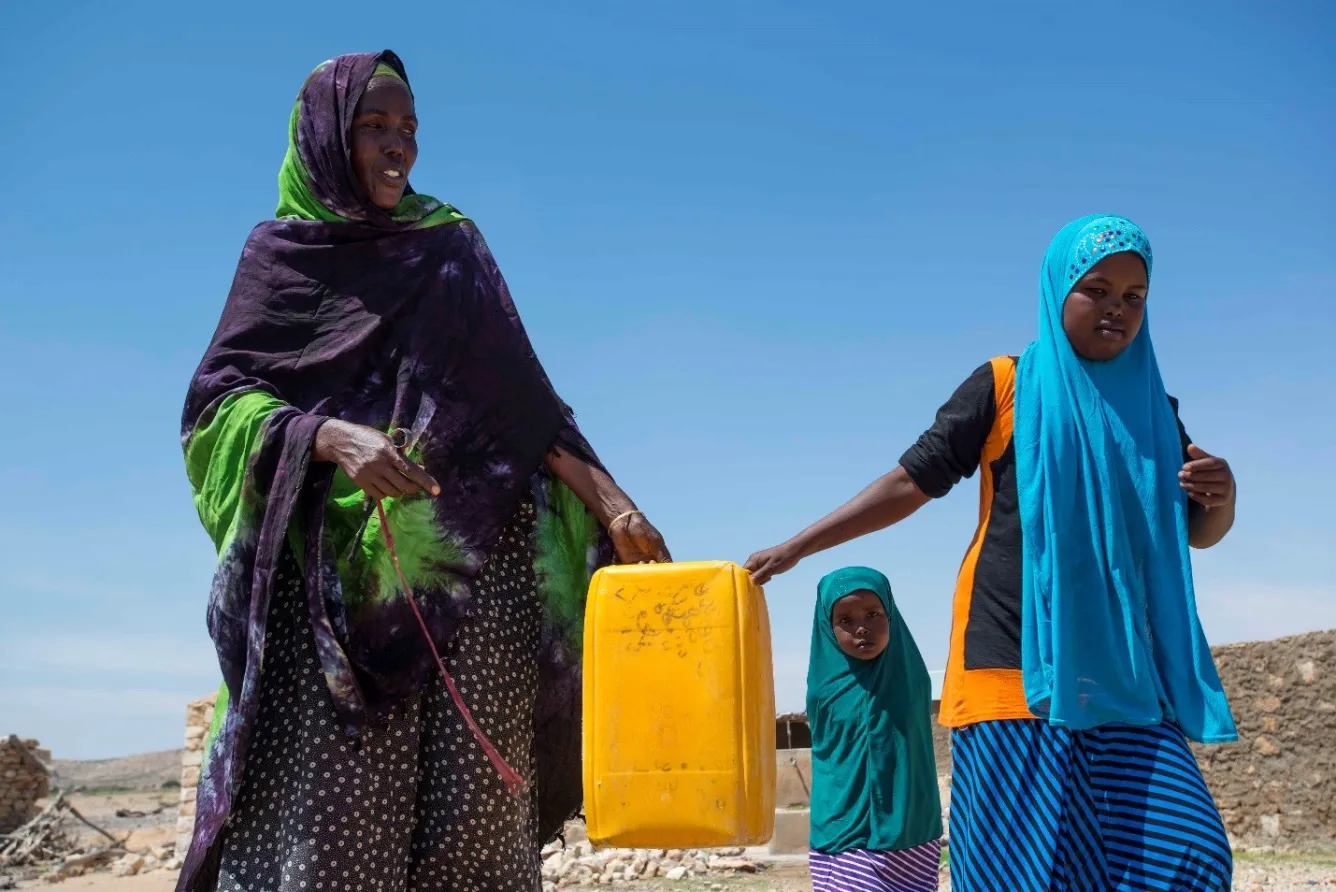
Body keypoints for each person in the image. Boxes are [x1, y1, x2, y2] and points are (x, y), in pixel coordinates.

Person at [177, 50, 669, 892]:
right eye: (375, 126)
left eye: (408, 128)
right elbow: (218, 407)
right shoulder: (280, 255)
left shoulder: (449, 245)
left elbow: (523, 401)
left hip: (475, 571)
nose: (397, 146)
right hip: (334, 593)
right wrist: (329, 436)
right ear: (325, 134)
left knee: (475, 820)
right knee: (331, 827)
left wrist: (615, 504)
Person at [746, 215, 1238, 891]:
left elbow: (1195, 533)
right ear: (1057, 290)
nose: (1117, 309)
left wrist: (1222, 498)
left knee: (1190, 858)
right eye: (1097, 289)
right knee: (1020, 876)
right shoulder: (1007, 385)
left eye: (1134, 296)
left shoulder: (1154, 409)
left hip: (1124, 680)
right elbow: (908, 483)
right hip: (1010, 669)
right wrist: (801, 545)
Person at [806, 567, 942, 892]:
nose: (862, 628)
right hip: (844, 832)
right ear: (828, 626)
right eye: (846, 620)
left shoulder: (912, 679)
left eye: (873, 614)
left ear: (890, 613)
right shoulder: (824, 689)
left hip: (911, 832)